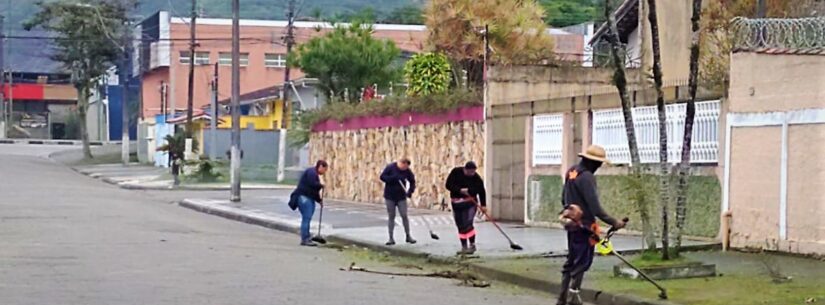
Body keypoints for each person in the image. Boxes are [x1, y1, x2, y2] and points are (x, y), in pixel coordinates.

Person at [556, 145, 625, 305]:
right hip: (585, 227)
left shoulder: (572, 171)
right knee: (582, 262)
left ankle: (562, 298)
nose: (600, 166)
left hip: (571, 224)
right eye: (599, 163)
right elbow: (595, 208)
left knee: (572, 261)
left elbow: (563, 199)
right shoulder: (587, 177)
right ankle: (573, 297)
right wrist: (614, 222)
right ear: (592, 162)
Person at [445, 161, 487, 255]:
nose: (472, 174)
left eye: (473, 172)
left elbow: (481, 191)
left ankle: (472, 244)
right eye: (470, 172)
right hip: (456, 203)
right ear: (465, 169)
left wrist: (483, 205)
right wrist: (459, 190)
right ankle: (464, 246)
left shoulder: (476, 178)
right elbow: (448, 185)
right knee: (460, 225)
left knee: (468, 223)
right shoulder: (456, 172)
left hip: (470, 203)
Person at [379, 158, 416, 246]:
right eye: (404, 166)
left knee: (404, 215)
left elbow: (412, 181)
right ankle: (391, 238)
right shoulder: (390, 167)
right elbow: (382, 177)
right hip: (390, 196)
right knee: (391, 216)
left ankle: (408, 236)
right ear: (401, 163)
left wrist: (410, 191)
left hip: (401, 196)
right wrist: (392, 178)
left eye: (406, 167)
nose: (404, 169)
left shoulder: (407, 171)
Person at [294, 160, 328, 247]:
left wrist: (319, 200)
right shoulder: (311, 172)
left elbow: (313, 191)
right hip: (304, 197)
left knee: (307, 217)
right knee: (307, 217)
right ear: (320, 167)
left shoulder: (314, 173)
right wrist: (321, 185)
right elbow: (312, 184)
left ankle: (307, 236)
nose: (324, 172)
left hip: (308, 197)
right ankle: (305, 239)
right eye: (324, 170)